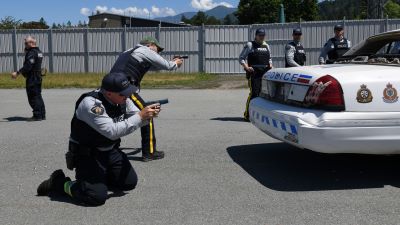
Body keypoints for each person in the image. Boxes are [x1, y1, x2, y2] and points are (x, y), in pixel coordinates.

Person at [36, 72, 161, 206]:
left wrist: (147, 116)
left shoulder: (122, 98)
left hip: (110, 150)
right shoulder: (92, 105)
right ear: (108, 94)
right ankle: (59, 183)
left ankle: (96, 180)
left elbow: (134, 117)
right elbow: (112, 131)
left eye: (128, 92)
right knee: (95, 197)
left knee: (128, 183)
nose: (128, 95)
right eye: (123, 93)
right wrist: (141, 117)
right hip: (88, 154)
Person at [110, 36, 183, 161]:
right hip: (125, 89)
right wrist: (176, 63)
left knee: (115, 119)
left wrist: (169, 63)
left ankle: (109, 149)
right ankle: (149, 152)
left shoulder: (129, 51)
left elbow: (156, 66)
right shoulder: (145, 50)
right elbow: (168, 66)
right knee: (147, 114)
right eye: (157, 49)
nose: (157, 52)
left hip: (111, 88)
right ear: (150, 44)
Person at [239, 28, 273, 122]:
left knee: (263, 95)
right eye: (260, 35)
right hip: (254, 73)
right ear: (256, 35)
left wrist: (270, 65)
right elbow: (241, 58)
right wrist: (246, 67)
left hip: (265, 73)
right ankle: (247, 115)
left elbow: (269, 58)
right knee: (254, 93)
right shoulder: (250, 44)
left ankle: (259, 115)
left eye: (263, 35)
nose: (262, 37)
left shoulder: (266, 45)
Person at [11, 36, 46, 121]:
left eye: (26, 43)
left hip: (32, 77)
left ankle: (37, 115)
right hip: (37, 76)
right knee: (38, 95)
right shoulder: (39, 51)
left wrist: (17, 73)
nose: (25, 45)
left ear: (31, 43)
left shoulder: (32, 53)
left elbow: (28, 66)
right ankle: (42, 114)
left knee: (33, 96)